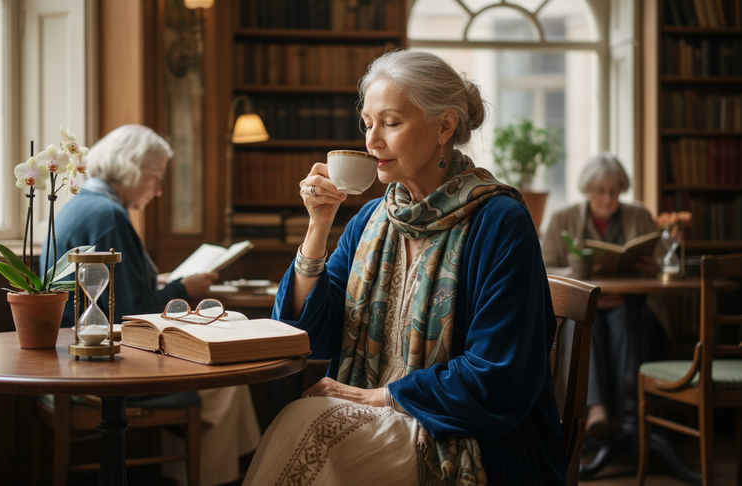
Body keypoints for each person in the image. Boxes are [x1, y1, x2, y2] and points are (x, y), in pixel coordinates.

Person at [244, 50, 566, 485]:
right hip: (372, 411)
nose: (372, 141)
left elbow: (500, 374)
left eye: (391, 123)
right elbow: (305, 333)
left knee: (310, 429)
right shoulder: (373, 219)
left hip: (473, 438)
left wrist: (380, 397)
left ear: (444, 126)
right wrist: (318, 227)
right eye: (367, 124)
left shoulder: (499, 222)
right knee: (307, 424)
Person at [44, 124, 261, 486]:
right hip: (103, 365)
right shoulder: (108, 215)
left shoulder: (81, 204)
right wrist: (181, 287)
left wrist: (161, 283)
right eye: (156, 177)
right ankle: (216, 478)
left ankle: (189, 474)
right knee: (225, 378)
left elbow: (114, 292)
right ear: (129, 166)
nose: (159, 190)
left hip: (74, 356)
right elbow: (130, 314)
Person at [540, 152, 664, 439]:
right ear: (587, 190)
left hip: (630, 305)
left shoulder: (640, 216)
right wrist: (575, 271)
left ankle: (626, 417)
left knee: (626, 322)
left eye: (614, 191)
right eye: (600, 192)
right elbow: (544, 273)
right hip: (584, 308)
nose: (608, 199)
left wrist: (653, 268)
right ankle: (595, 411)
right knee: (584, 326)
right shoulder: (563, 217)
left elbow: (661, 266)